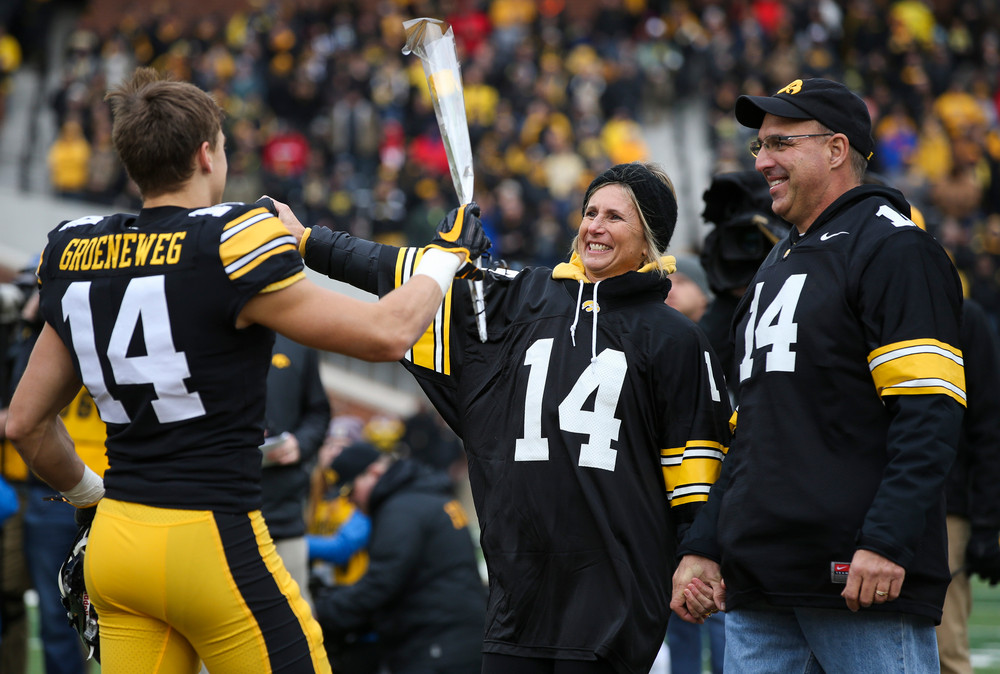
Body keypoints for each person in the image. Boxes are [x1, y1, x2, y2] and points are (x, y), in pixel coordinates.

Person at [3, 66, 489, 674]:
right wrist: (443, 260)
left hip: (117, 544)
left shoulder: (75, 249)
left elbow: (24, 422)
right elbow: (387, 332)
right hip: (209, 537)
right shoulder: (227, 241)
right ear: (207, 154)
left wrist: (87, 493)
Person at [274, 160, 734, 673]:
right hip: (518, 591)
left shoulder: (675, 338)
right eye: (589, 212)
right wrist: (310, 243)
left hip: (614, 594)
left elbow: (695, 468)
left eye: (614, 218)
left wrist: (698, 555)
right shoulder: (521, 297)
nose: (594, 227)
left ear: (649, 237)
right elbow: (398, 268)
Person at [672, 78, 967, 673]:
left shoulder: (894, 247)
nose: (764, 162)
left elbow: (928, 411)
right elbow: (753, 428)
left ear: (836, 149)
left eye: (780, 143)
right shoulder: (776, 262)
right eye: (758, 147)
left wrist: (887, 538)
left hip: (857, 578)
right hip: (762, 578)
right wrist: (705, 544)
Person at [311, 441, 487, 674]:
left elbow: (381, 583)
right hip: (456, 636)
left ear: (373, 473)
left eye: (351, 492)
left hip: (436, 645)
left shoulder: (401, 510)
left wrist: (319, 611)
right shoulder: (424, 496)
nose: (351, 502)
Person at [937, 297, 1000, 674]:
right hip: (861, 503)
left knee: (946, 650)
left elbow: (989, 425)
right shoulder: (853, 304)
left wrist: (987, 523)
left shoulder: (961, 315)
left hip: (945, 507)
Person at [261, 333, 331, 608]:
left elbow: (319, 412)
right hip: (212, 514)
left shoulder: (295, 339)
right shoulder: (206, 329)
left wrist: (299, 444)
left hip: (282, 519)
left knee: (297, 622)